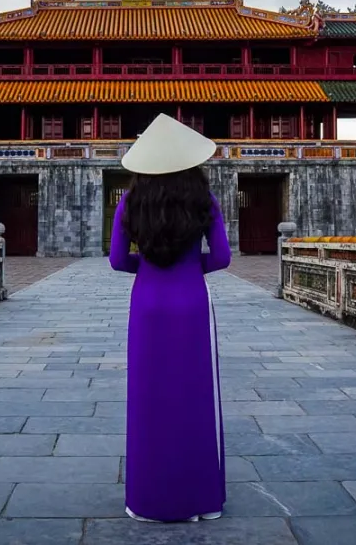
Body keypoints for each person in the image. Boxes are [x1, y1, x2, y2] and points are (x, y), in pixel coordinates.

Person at [109, 113, 232, 523]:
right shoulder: (203, 200)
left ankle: (148, 501)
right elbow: (221, 258)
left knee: (150, 398)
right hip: (192, 302)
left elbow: (116, 261)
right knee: (194, 395)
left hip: (147, 304)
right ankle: (201, 501)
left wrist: (147, 268)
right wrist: (189, 267)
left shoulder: (130, 202)